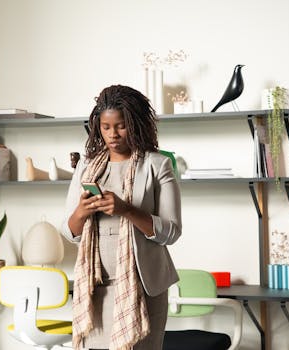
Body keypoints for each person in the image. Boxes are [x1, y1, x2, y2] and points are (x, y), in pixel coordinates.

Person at [61, 85, 182, 350]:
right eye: (106, 127)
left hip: (144, 288)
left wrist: (126, 210)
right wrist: (82, 211)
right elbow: (69, 233)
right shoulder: (85, 167)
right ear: (97, 127)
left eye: (121, 126)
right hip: (96, 289)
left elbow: (172, 232)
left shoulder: (157, 164)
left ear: (136, 124)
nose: (113, 135)